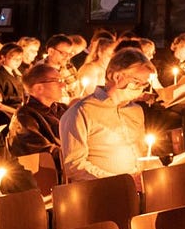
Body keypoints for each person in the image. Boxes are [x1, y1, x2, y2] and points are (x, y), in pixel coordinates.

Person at [57, 48, 153, 182]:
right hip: (102, 192)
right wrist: (120, 182)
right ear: (116, 77)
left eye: (145, 84)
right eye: (137, 82)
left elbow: (142, 153)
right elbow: (75, 166)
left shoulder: (136, 110)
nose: (141, 89)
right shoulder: (81, 112)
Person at [7, 63, 67, 162]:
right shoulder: (25, 117)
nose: (63, 85)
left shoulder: (62, 109)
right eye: (57, 81)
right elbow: (42, 152)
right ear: (38, 88)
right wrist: (74, 153)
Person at [0, 43, 29, 107]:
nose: (18, 61)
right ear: (3, 57)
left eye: (20, 59)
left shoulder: (17, 75)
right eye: (15, 59)